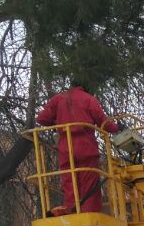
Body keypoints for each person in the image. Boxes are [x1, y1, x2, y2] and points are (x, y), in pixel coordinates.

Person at [35, 80, 120, 215]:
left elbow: (42, 118)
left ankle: (72, 211)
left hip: (65, 148)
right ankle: (90, 213)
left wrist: (58, 121)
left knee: (70, 182)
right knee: (89, 182)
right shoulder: (89, 99)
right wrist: (117, 127)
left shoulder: (58, 99)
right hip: (86, 146)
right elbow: (104, 123)